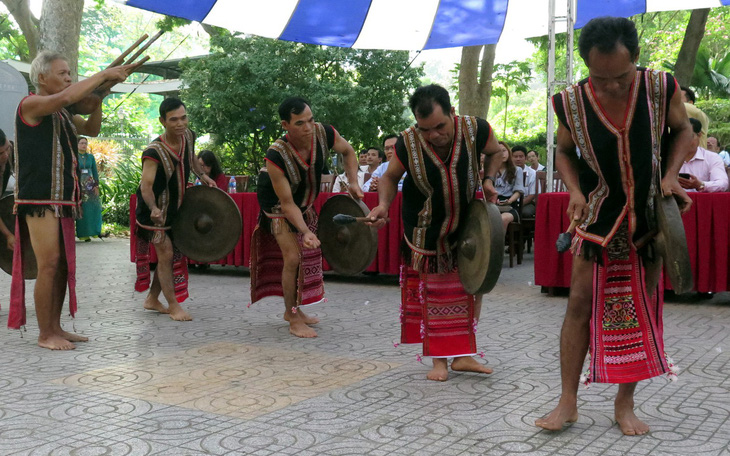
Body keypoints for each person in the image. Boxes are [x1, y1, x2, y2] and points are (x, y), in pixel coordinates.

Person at [535, 17, 693, 436]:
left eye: (620, 78)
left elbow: (684, 132)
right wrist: (573, 189)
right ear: (587, 64)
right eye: (599, 78)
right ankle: (568, 400)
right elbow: (565, 153)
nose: (610, 86)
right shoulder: (568, 102)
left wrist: (672, 173)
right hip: (598, 214)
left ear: (636, 60)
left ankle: (625, 405)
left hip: (649, 215)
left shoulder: (662, 88)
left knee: (640, 305)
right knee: (579, 304)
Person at [366, 84, 502, 381]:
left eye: (440, 126)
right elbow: (389, 177)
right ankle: (439, 361)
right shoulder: (407, 142)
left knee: (473, 286)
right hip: (425, 228)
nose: (434, 135)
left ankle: (464, 355)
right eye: (426, 129)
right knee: (436, 292)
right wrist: (383, 205)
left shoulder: (476, 129)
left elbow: (496, 152)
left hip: (468, 225)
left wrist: (489, 179)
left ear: (452, 113)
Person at [10, 50, 138, 349]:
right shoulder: (31, 104)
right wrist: (104, 75)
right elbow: (67, 98)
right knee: (50, 264)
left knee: (63, 266)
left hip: (64, 199)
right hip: (39, 199)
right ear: (42, 78)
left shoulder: (63, 113)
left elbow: (92, 128)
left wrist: (102, 93)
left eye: (70, 73)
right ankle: (45, 334)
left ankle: (56, 328)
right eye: (63, 73)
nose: (69, 78)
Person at [250, 97, 363, 338]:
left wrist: (353, 182)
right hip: (277, 206)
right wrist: (305, 231)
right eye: (300, 123)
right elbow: (287, 204)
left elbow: (349, 151)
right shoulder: (275, 155)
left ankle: (296, 309)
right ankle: (292, 316)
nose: (308, 128)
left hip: (303, 202)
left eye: (311, 120)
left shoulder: (325, 133)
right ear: (285, 125)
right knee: (292, 257)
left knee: (303, 258)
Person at [135, 98, 215, 321]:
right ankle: (173, 305)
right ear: (162, 121)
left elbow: (191, 159)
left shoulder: (187, 136)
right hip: (152, 213)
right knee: (166, 253)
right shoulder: (153, 152)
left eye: (183, 118)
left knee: (167, 257)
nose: (180, 124)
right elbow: (146, 186)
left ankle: (152, 299)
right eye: (174, 120)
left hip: (174, 209)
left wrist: (204, 176)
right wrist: (153, 208)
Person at [679, 118, 728, 193]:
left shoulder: (712, 158)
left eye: (689, 137)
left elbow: (722, 183)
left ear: (699, 135)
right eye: (681, 137)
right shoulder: (668, 158)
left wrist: (700, 185)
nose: (685, 141)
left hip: (702, 202)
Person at [75, 137, 103, 241]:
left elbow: (95, 172)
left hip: (90, 184)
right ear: (77, 144)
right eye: (81, 143)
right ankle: (83, 234)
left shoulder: (90, 157)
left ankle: (95, 231)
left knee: (94, 207)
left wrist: (96, 185)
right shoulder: (74, 156)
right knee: (83, 208)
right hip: (79, 184)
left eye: (85, 143)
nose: (84, 145)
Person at [495, 141, 526, 232]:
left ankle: (498, 246)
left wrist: (509, 201)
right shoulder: (490, 170)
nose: (502, 154)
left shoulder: (517, 170)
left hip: (511, 205)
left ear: (509, 152)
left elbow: (518, 191)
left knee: (502, 219)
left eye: (504, 150)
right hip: (493, 204)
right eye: (499, 151)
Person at [511, 145, 537, 218]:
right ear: (511, 158)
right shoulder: (508, 172)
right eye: (515, 157)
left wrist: (519, 204)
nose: (518, 159)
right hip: (510, 202)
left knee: (525, 212)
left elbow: (532, 195)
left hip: (526, 203)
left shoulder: (532, 173)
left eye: (521, 156)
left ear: (525, 158)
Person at [0, 129, 14, 251]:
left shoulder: (13, 151)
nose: (6, 155)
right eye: (0, 153)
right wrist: (8, 235)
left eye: (7, 148)